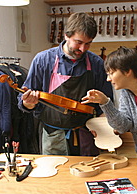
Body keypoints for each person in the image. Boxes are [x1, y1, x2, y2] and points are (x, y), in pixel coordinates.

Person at [18, 12, 113, 156]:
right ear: (66, 35)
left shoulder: (96, 63)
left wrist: (102, 126)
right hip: (52, 135)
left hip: (86, 135)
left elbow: (106, 105)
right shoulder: (43, 60)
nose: (83, 49)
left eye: (88, 44)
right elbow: (25, 104)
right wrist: (29, 103)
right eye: (78, 42)